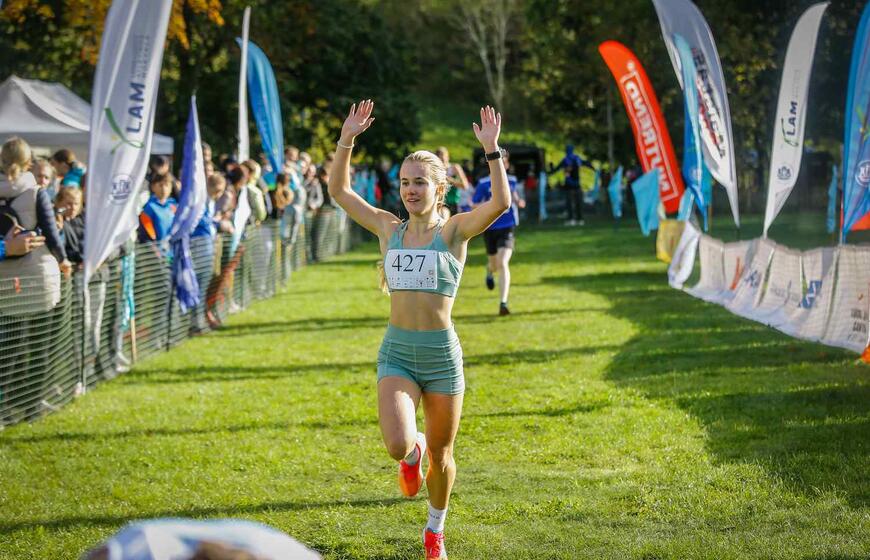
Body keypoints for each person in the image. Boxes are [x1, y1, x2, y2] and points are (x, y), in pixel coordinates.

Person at [328, 100, 510, 560]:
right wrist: (346, 139)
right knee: (397, 444)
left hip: (441, 357)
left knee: (444, 457)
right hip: (397, 353)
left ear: (439, 188)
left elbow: (500, 203)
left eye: (420, 182)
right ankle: (413, 453)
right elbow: (340, 191)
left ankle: (434, 531)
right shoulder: (387, 229)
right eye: (405, 182)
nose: (410, 190)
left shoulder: (453, 232)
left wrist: (492, 150)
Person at [0, 138, 71, 312]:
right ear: (28, 164)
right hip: (35, 279)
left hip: (3, 281)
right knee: (37, 327)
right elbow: (51, 234)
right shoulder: (37, 193)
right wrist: (63, 260)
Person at [472, 152, 524, 316]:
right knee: (494, 264)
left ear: (506, 165)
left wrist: (518, 201)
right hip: (490, 228)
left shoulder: (512, 180)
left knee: (503, 262)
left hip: (507, 227)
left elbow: (514, 196)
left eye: (504, 162)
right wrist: (491, 204)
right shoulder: (483, 183)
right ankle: (489, 271)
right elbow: (474, 204)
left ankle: (503, 303)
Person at [549, 144, 594, 226]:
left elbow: (556, 169)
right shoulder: (577, 158)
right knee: (578, 203)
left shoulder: (565, 160)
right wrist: (593, 168)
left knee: (569, 203)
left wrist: (550, 170)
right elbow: (586, 163)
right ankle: (580, 219)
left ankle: (571, 219)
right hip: (577, 185)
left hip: (569, 185)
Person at [138, 173, 178, 243]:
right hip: (158, 248)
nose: (164, 189)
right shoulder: (149, 208)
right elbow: (147, 234)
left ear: (171, 188)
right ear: (153, 187)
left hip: (174, 246)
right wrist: (154, 246)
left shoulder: (173, 205)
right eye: (160, 185)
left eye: (166, 185)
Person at [435, 147, 468, 216]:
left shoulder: (455, 168)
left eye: (443, 158)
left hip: (453, 203)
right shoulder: (435, 170)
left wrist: (450, 180)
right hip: (440, 203)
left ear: (448, 157)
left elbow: (465, 185)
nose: (442, 160)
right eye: (440, 158)